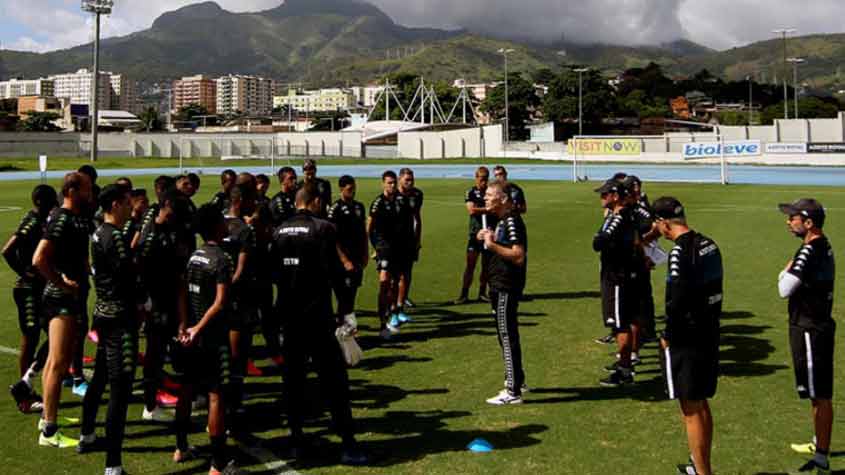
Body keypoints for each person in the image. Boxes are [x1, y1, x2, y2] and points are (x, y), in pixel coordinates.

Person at [271, 182, 367, 465]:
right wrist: (346, 313)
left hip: (289, 317)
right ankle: (348, 444)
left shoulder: (279, 231)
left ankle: (296, 442)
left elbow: (275, 274)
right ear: (313, 202)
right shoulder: (323, 229)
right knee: (335, 382)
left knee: (294, 382)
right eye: (321, 202)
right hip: (318, 316)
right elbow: (337, 275)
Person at [652, 197, 722, 475]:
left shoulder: (680, 253)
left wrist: (668, 334)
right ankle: (700, 465)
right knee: (701, 403)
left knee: (690, 408)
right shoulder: (709, 244)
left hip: (688, 337)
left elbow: (677, 298)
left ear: (664, 223)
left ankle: (703, 472)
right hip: (709, 330)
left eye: (657, 224)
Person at [77, 184, 138, 475]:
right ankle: (113, 464)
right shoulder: (114, 236)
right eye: (127, 203)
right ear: (115, 205)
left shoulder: (99, 232)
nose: (130, 207)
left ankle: (87, 433)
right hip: (119, 319)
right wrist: (146, 301)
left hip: (103, 314)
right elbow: (128, 277)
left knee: (100, 378)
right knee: (120, 389)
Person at [32, 171, 92, 447]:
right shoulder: (61, 218)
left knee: (56, 361)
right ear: (72, 190)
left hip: (68, 298)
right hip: (60, 300)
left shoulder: (75, 218)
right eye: (86, 188)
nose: (90, 192)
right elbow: (39, 259)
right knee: (58, 363)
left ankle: (47, 417)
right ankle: (49, 432)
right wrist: (63, 283)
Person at [173, 204, 234, 475]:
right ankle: (218, 463)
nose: (226, 225)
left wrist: (185, 324)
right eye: (222, 221)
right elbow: (220, 303)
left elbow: (183, 292)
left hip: (190, 336)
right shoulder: (221, 259)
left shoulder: (194, 256)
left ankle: (180, 447)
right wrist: (198, 328)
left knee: (185, 391)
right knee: (215, 396)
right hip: (212, 337)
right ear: (215, 226)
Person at [778, 199, 835, 475]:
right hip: (814, 325)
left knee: (819, 394)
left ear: (809, 223)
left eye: (793, 218)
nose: (788, 222)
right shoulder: (819, 245)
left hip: (811, 328)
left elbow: (783, 288)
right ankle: (819, 442)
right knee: (816, 392)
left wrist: (784, 270)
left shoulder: (808, 252)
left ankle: (822, 457)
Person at [137, 188, 189, 421]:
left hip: (171, 301)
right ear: (164, 206)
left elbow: (178, 271)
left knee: (173, 350)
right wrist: (145, 303)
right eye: (171, 212)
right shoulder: (150, 237)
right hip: (156, 304)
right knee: (154, 354)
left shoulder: (172, 232)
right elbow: (139, 271)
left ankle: (170, 393)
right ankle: (149, 405)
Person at [6, 184, 58, 413]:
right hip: (27, 290)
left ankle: (26, 383)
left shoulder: (41, 220)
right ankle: (24, 397)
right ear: (40, 202)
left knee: (51, 335)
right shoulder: (32, 222)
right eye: (50, 200)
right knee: (30, 337)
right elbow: (7, 250)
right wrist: (24, 271)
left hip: (39, 288)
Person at [478, 180, 528, 405]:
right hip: (500, 284)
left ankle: (512, 390)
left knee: (506, 336)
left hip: (506, 286)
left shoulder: (511, 222)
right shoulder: (503, 221)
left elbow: (518, 255)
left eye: (490, 195)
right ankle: (518, 380)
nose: (486, 198)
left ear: (504, 199)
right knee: (506, 335)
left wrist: (491, 245)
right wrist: (490, 237)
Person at [593, 179, 638, 387]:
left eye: (605, 194)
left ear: (615, 196)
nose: (601, 198)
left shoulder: (618, 218)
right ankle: (625, 366)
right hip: (620, 274)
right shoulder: (622, 216)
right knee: (622, 322)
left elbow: (598, 242)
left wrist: (600, 236)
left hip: (617, 276)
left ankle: (625, 370)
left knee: (620, 324)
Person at [220, 183, 258, 415]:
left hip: (216, 296)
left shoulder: (219, 224)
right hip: (237, 298)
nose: (255, 204)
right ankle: (233, 400)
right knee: (238, 351)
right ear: (241, 200)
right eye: (252, 199)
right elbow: (241, 270)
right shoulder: (244, 230)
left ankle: (222, 395)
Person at [328, 175, 368, 327]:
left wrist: (365, 253)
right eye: (350, 189)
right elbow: (333, 238)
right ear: (341, 189)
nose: (353, 192)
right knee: (343, 296)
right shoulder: (335, 209)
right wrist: (344, 260)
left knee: (351, 294)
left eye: (354, 188)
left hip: (357, 257)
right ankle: (342, 327)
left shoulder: (359, 207)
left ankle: (346, 328)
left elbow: (363, 232)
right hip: (342, 262)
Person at [368, 171, 404, 339]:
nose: (392, 186)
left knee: (395, 284)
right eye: (389, 183)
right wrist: (375, 247)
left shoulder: (400, 200)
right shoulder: (378, 203)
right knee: (384, 284)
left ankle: (391, 316)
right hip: (384, 248)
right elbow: (369, 228)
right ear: (383, 183)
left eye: (393, 183)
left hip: (398, 248)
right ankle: (382, 324)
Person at [457, 166, 493, 304]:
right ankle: (464, 294)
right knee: (470, 265)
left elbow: (496, 209)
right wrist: (487, 209)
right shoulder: (470, 192)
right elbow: (471, 210)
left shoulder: (490, 192)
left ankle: (482, 293)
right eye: (481, 179)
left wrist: (486, 210)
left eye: (485, 179)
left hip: (489, 233)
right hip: (475, 234)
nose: (483, 182)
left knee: (486, 266)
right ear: (476, 178)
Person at [395, 168, 423, 310]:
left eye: (412, 180)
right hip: (393, 241)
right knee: (394, 274)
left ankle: (404, 298)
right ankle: (393, 302)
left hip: (409, 240)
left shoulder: (417, 194)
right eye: (407, 180)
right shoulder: (392, 195)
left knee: (407, 272)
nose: (410, 183)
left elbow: (417, 218)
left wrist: (417, 240)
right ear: (400, 179)